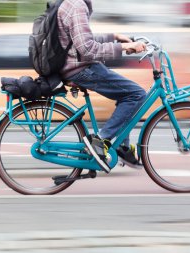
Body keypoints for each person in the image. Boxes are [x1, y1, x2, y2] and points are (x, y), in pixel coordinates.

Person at [57, 0, 147, 172]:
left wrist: (113, 37)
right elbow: (88, 49)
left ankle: (122, 147)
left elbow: (79, 41)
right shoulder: (77, 6)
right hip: (80, 68)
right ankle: (100, 140)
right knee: (136, 94)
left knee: (126, 95)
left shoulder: (71, 3)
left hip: (76, 65)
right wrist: (125, 46)